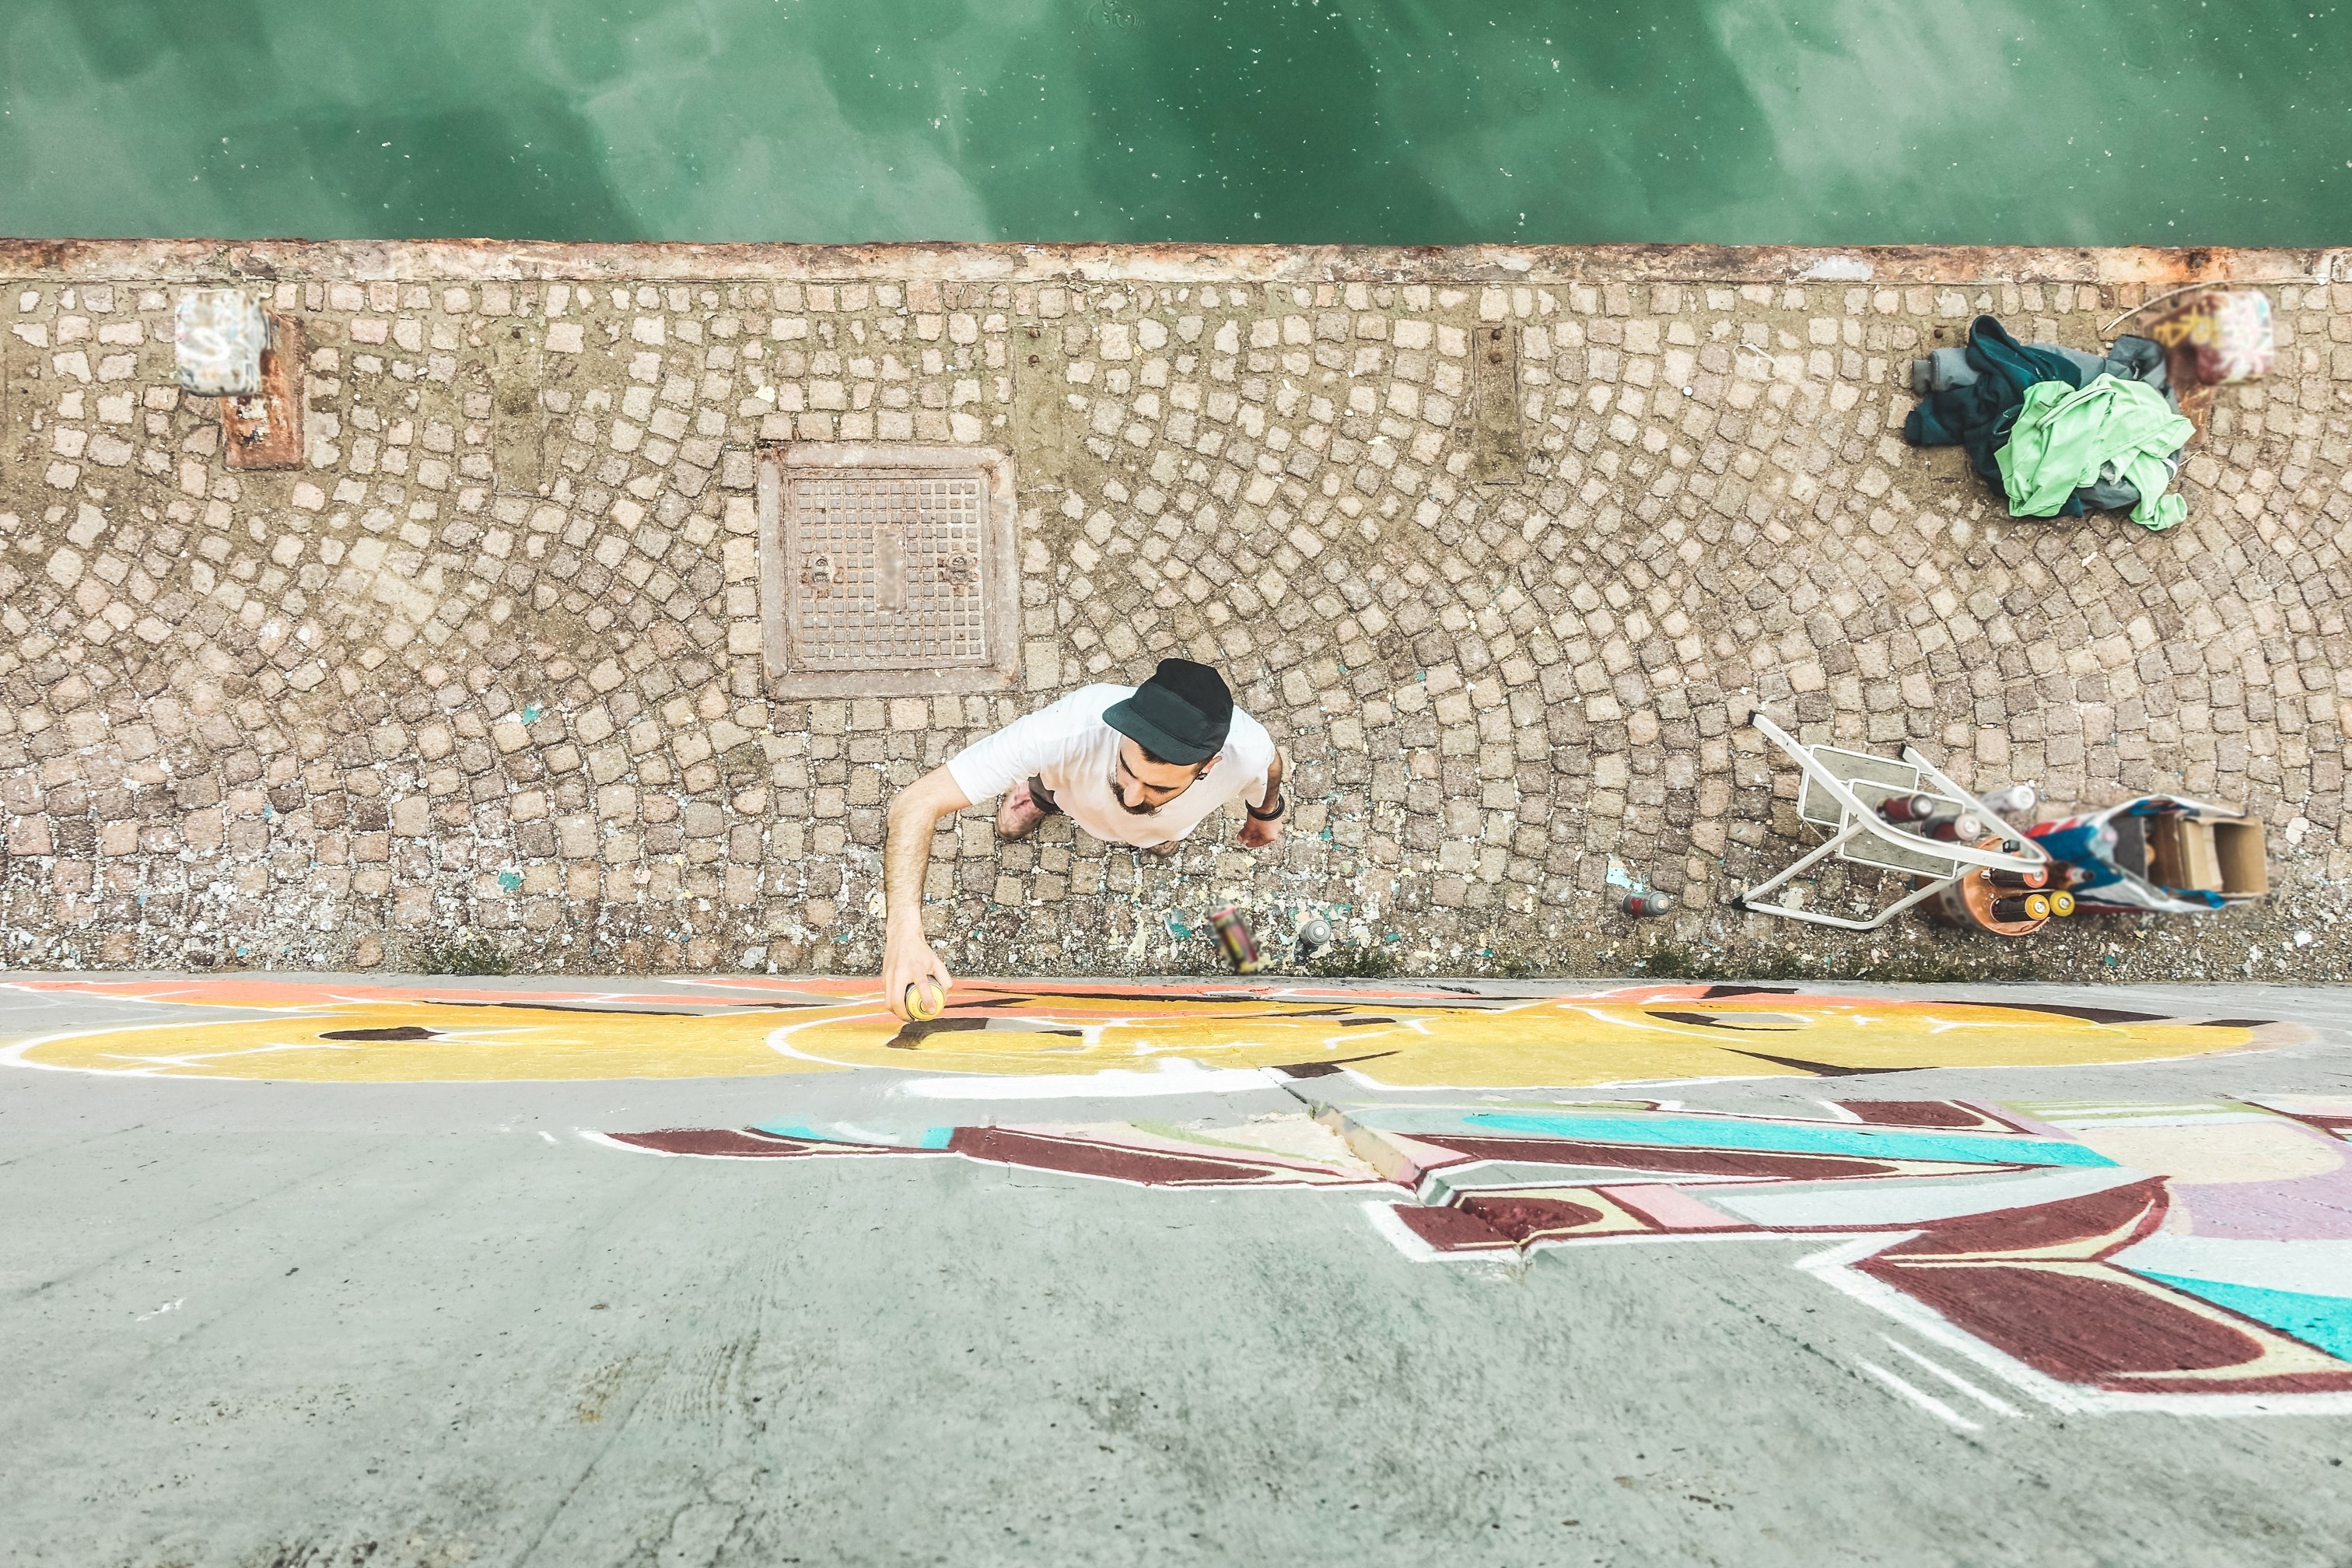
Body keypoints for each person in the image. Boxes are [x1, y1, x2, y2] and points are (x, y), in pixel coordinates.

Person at [880, 658, 1286, 1019]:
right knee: (1046, 785)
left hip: (1164, 826)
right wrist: (903, 933)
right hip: (1070, 793)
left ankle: (1154, 836)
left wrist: (1265, 814)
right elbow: (916, 802)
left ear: (1209, 766)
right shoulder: (1070, 727)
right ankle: (1037, 797)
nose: (1132, 796)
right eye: (1127, 768)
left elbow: (1270, 767)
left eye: (1159, 788)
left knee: (1157, 833)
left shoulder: (1247, 750)